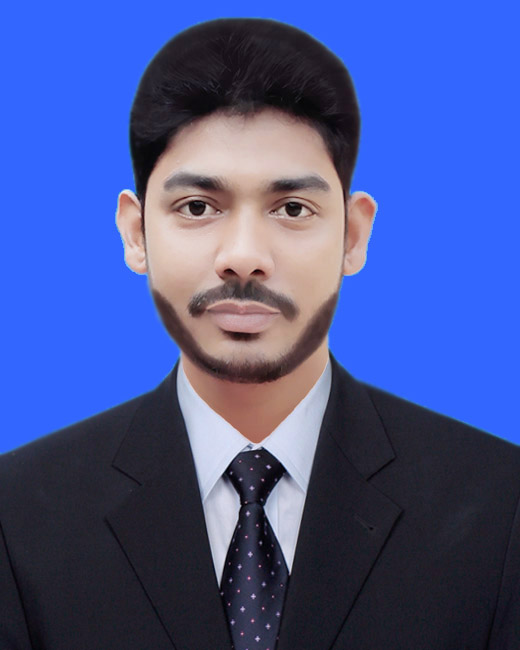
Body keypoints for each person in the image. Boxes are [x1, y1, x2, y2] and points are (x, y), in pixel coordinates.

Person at [0, 17, 518, 650]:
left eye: (291, 209)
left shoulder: (500, 506)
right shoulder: (17, 516)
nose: (243, 257)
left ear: (353, 235)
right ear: (136, 234)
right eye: (198, 207)